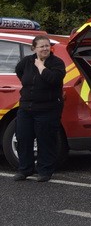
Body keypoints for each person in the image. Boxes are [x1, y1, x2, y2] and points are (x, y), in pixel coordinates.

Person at [12, 35, 66, 182]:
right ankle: (25, 169)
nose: (45, 49)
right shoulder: (26, 62)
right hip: (26, 108)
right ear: (34, 48)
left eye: (47, 46)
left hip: (48, 108)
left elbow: (54, 79)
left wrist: (41, 67)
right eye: (41, 46)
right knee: (23, 138)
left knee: (46, 140)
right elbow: (19, 72)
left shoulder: (57, 63)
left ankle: (45, 171)